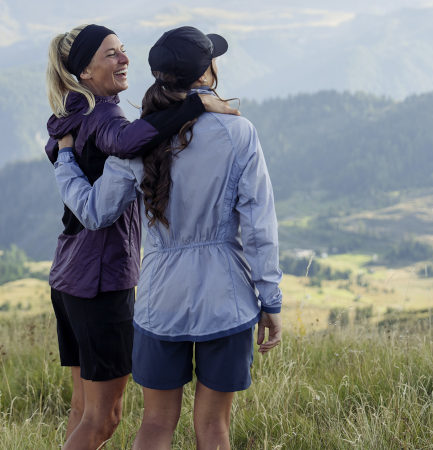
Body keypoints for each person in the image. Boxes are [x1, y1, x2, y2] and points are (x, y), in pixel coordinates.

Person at [53, 26, 282, 450]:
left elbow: (94, 211)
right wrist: (270, 299)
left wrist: (65, 158)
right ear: (206, 72)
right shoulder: (239, 133)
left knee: (155, 425)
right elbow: (259, 226)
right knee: (214, 428)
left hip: (160, 301)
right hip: (225, 298)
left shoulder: (137, 139)